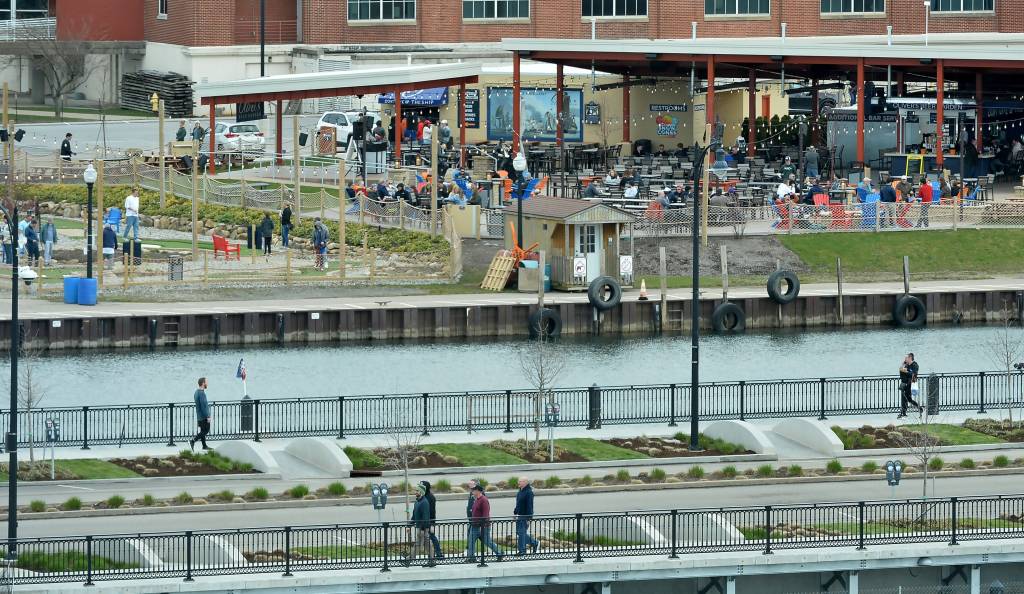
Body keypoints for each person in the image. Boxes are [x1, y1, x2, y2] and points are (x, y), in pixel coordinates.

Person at [468, 484, 503, 563]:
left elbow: (485, 515)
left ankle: (500, 553)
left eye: (473, 490)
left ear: (478, 491)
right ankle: (471, 557)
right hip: (474, 525)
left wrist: (483, 527)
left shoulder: (484, 500)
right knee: (471, 541)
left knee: (487, 541)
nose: (472, 491)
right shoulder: (476, 499)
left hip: (482, 526)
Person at [405, 484, 436, 567]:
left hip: (423, 529)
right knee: (427, 545)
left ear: (421, 492)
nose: (416, 492)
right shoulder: (417, 502)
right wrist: (409, 526)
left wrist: (422, 529)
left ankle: (409, 559)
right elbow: (414, 516)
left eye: (417, 491)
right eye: (416, 490)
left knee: (418, 545)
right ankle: (432, 561)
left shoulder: (424, 502)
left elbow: (426, 517)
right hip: (420, 528)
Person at [418, 480, 444, 559]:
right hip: (423, 522)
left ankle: (437, 554)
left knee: (430, 537)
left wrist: (432, 523)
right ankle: (433, 555)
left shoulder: (430, 497)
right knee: (426, 539)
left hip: (428, 522)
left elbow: (432, 511)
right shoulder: (422, 496)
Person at [514, 477, 539, 555]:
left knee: (521, 533)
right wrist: (515, 513)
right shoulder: (520, 491)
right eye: (519, 481)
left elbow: (530, 506)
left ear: (525, 482)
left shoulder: (529, 492)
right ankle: (535, 543)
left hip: (525, 516)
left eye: (520, 481)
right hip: (519, 515)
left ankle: (522, 551)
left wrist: (529, 518)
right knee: (519, 532)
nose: (518, 482)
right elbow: (518, 504)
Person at [189, 377, 212, 451]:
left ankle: (204, 446)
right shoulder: (201, 393)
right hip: (203, 416)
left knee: (202, 431)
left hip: (199, 416)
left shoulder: (196, 392)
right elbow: (203, 406)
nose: (207, 383)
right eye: (206, 382)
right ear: (203, 383)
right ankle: (193, 441)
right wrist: (208, 416)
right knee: (206, 431)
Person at [898, 353, 922, 418]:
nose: (905, 359)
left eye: (906, 358)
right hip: (905, 384)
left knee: (908, 399)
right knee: (905, 398)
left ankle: (919, 408)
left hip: (911, 384)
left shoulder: (915, 365)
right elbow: (901, 370)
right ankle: (903, 413)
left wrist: (906, 372)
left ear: (910, 358)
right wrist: (903, 364)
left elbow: (913, 374)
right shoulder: (907, 365)